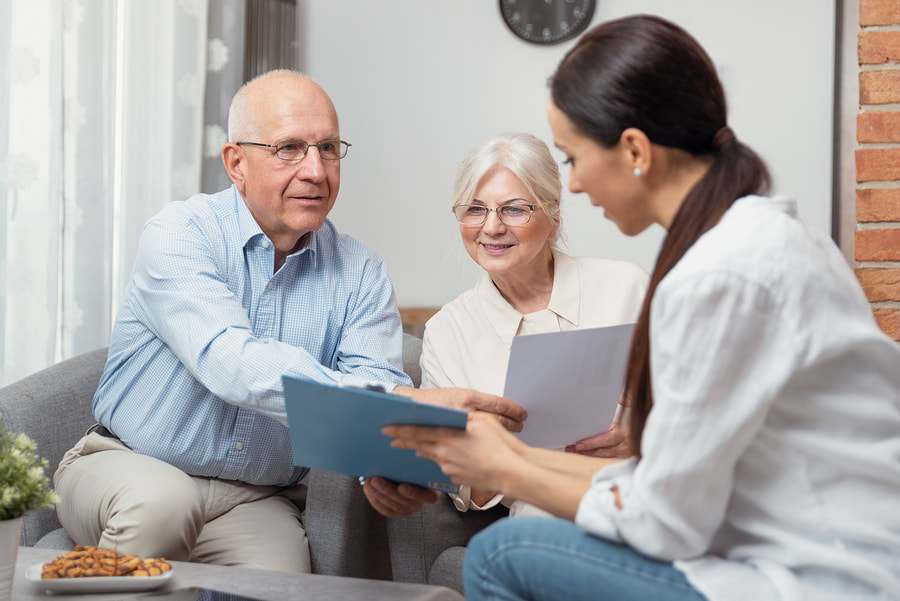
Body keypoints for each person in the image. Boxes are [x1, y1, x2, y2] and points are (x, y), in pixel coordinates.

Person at [386, 14, 900, 601]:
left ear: (634, 149)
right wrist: (501, 458)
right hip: (798, 543)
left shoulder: (720, 277)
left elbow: (666, 518)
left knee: (500, 553)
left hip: (815, 576)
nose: (573, 186)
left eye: (573, 158)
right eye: (475, 211)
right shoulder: (759, 240)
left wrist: (506, 466)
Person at [52, 70, 521, 572]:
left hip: (254, 499)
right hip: (127, 464)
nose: (316, 171)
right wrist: (397, 403)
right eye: (290, 148)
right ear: (237, 162)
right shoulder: (179, 234)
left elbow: (378, 384)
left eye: (328, 149)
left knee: (286, 581)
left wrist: (381, 465)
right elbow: (231, 362)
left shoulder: (361, 272)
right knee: (164, 504)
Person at [421, 132, 647, 513]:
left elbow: (697, 413)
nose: (491, 227)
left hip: (638, 493)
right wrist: (492, 452)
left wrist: (642, 439)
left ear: (553, 215)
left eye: (514, 209)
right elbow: (459, 487)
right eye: (475, 209)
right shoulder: (447, 332)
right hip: (538, 512)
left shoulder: (629, 287)